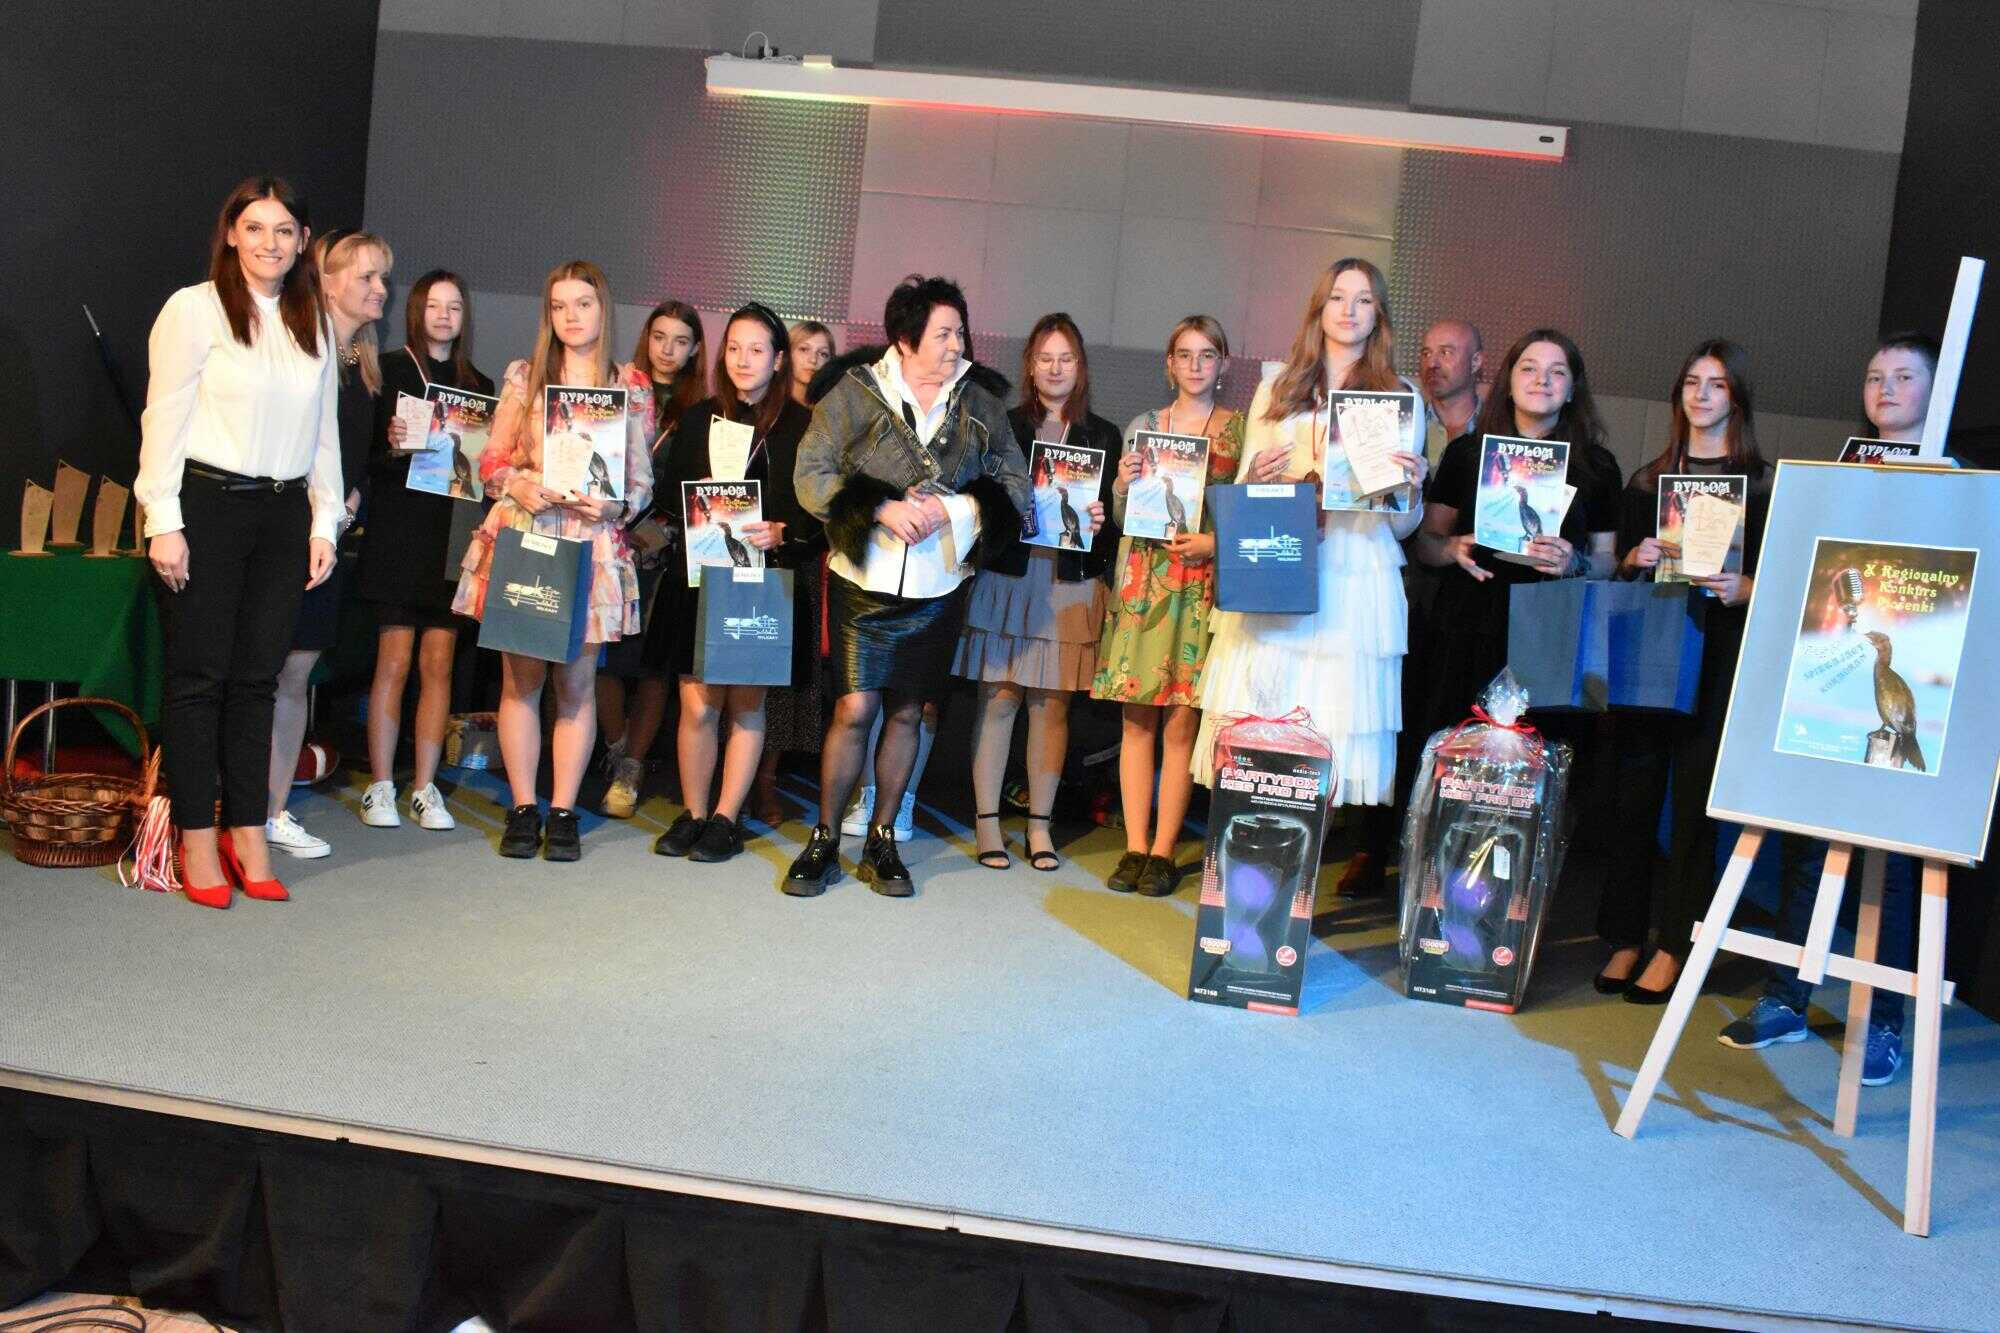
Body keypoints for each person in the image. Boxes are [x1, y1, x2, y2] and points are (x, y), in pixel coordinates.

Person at [1714, 332, 1936, 1084]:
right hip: (1829, 686)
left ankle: (1885, 1020)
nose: (1886, 388)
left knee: (1893, 869)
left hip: (1912, 688)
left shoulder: (1961, 482)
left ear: (1934, 389)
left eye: (1904, 376)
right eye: (1875, 376)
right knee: (1809, 849)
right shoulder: (1837, 474)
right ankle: (1788, 995)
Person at [135, 176, 342, 907]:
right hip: (207, 507)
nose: (269, 243)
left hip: (284, 516)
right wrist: (164, 519)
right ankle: (197, 837)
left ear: (303, 241)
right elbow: (163, 417)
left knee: (259, 680)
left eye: (284, 231)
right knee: (198, 680)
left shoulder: (313, 319)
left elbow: (324, 432)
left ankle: (247, 831)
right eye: (254, 228)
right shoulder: (193, 309)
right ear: (231, 233)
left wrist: (323, 521)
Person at [786, 275, 1030, 897]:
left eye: (959, 332)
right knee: (855, 708)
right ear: (905, 338)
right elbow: (810, 471)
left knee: (908, 712)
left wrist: (954, 511)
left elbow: (1016, 485)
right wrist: (880, 508)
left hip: (938, 584)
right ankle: (823, 839)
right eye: (943, 334)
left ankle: (883, 838)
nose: (956, 345)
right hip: (862, 579)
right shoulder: (854, 392)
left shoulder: (981, 402)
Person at [1194, 259, 1426, 823]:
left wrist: (1412, 490)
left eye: (1364, 300)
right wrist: (1256, 477)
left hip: (1355, 570)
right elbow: (1244, 490)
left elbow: (1400, 526)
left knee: (1332, 716)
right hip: (1283, 561)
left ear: (1379, 315)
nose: (1349, 311)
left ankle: (1303, 854)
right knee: (1263, 715)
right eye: (1338, 297)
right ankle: (1251, 848)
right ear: (1319, 309)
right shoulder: (1278, 386)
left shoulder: (1400, 397)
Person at [452, 260, 654, 861]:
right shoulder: (526, 376)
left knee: (577, 684)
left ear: (602, 309)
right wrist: (519, 483)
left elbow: (641, 480)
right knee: (521, 680)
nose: (571, 316)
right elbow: (491, 461)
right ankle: (523, 807)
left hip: (591, 543)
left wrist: (614, 505)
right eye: (560, 306)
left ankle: (563, 809)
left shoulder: (629, 384)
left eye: (583, 304)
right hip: (529, 533)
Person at [1597, 341, 1770, 1002]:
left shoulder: (1763, 484)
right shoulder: (1648, 481)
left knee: (1694, 805)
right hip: (1652, 644)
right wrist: (1635, 559)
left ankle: (1675, 943)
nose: (1702, 394)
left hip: (1719, 650)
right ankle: (1624, 937)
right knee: (1633, 797)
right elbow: (1616, 571)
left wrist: (1746, 587)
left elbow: (1784, 580)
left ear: (1737, 398)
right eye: (1692, 382)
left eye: (1716, 384)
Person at [645, 303, 817, 863]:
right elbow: (669, 496)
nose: (744, 360)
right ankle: (694, 813)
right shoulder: (698, 418)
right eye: (735, 348)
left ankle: (726, 816)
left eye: (757, 350)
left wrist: (785, 530)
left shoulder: (800, 426)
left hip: (763, 580)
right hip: (699, 577)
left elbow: (819, 513)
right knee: (697, 704)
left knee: (746, 704)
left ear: (778, 359)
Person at [954, 313, 1116, 872]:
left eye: (1066, 358)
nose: (1055, 368)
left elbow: (1112, 528)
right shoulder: (1003, 424)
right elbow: (978, 500)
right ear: (1030, 366)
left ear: (1080, 367)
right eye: (1045, 358)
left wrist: (1103, 519)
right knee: (999, 699)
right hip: (1009, 578)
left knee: (1051, 707)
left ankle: (1040, 825)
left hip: (1068, 584)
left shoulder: (1103, 435)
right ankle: (987, 821)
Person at [1091, 315, 1243, 896]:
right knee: (1136, 721)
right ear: (1169, 364)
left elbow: (1251, 511)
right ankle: (1134, 846)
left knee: (1182, 723)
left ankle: (1163, 851)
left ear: (1223, 364)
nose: (1195, 365)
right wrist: (1122, 484)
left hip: (1200, 584)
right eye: (1185, 354)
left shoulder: (1241, 432)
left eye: (1207, 354)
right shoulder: (1145, 426)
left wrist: (1215, 543)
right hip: (1145, 582)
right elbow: (1123, 516)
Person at [1409, 328, 1622, 739]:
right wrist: (1451, 549)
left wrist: (1575, 562)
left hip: (1552, 631)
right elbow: (1426, 544)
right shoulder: (1467, 453)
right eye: (1528, 369)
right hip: (1468, 625)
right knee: (1457, 750)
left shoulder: (1597, 465)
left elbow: (1607, 559)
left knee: (1540, 757)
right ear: (1508, 381)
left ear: (1572, 389)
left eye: (1557, 372)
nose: (1542, 380)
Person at [351, 270, 494, 833]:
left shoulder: (478, 384)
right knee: (393, 662)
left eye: (454, 307)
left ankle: (424, 787)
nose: (444, 315)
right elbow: (362, 455)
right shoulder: (387, 370)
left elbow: (484, 471)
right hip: (397, 532)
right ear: (416, 310)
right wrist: (389, 445)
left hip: (452, 538)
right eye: (434, 305)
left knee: (439, 666)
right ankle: (381, 784)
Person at [263, 227, 388, 859]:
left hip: (328, 541)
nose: (380, 288)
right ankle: (232, 807)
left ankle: (271, 811)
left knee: (296, 674)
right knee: (262, 672)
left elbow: (356, 460)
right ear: (328, 281)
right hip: (279, 533)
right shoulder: (296, 348)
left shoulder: (361, 362)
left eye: (383, 276)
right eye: (367, 276)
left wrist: (351, 501)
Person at [600, 300, 706, 819]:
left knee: (652, 667)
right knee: (601, 657)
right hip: (609, 535)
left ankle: (632, 766)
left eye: (680, 341)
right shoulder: (616, 386)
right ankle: (616, 746)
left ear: (695, 349)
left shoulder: (703, 408)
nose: (668, 350)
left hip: (666, 548)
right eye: (660, 337)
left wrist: (663, 530)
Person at [1417, 318, 1484, 464]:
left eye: (1445, 353)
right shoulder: (1403, 427)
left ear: (1475, 362)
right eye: (1426, 353)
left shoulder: (1501, 428)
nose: (1431, 364)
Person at [787, 320, 835, 407]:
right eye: (804, 349)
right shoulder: (767, 404)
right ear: (787, 353)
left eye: (823, 354)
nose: (813, 360)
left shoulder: (835, 408)